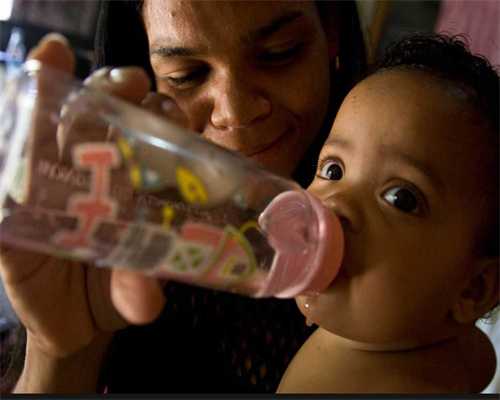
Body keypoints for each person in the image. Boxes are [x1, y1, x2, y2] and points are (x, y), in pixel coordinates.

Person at [0, 0, 366, 393]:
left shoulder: (393, 204)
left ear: (331, 32)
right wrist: (60, 356)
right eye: (186, 76)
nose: (235, 112)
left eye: (280, 53)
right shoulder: (123, 234)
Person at [278, 34, 499, 393]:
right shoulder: (458, 346)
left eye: (401, 198)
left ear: (473, 289)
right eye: (333, 170)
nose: (335, 204)